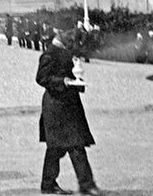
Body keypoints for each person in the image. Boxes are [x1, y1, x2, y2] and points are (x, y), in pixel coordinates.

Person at [36, 31, 103, 196]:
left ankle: (50, 185)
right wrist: (63, 82)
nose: (72, 42)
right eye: (69, 38)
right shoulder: (49, 54)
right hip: (56, 106)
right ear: (60, 37)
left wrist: (78, 82)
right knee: (68, 146)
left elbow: (73, 74)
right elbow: (41, 78)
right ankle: (84, 185)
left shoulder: (66, 53)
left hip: (67, 106)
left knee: (64, 147)